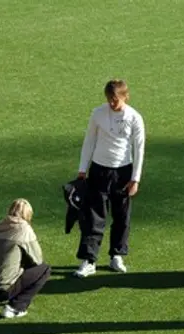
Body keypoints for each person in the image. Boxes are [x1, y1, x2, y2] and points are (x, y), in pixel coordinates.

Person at [73, 79, 146, 278]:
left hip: (123, 173)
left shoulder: (134, 117)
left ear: (125, 96)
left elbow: (139, 149)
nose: (112, 103)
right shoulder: (97, 114)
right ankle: (89, 260)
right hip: (98, 170)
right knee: (94, 217)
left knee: (122, 217)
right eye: (109, 99)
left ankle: (117, 256)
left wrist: (135, 178)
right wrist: (82, 169)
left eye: (115, 100)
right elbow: (89, 140)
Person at [0, 199, 51, 318]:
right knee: (44, 269)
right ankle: (15, 307)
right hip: (0, 291)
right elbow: (37, 259)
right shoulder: (24, 230)